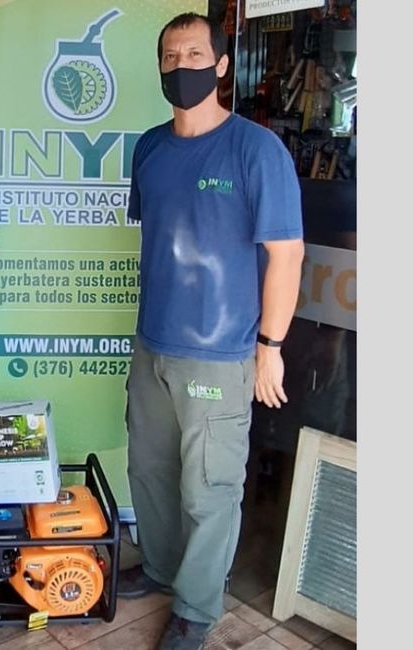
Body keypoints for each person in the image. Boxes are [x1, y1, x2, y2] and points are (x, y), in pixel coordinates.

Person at [118, 12, 305, 650]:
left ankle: (196, 608)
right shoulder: (148, 147)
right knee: (149, 468)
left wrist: (271, 347)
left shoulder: (257, 150)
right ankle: (165, 569)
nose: (181, 66)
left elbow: (286, 254)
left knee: (209, 485)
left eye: (195, 54)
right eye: (170, 56)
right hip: (152, 344)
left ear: (222, 65)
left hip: (221, 353)